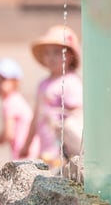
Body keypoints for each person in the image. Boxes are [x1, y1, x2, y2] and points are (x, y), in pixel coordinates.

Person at [19, 25, 84, 168]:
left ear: (70, 56)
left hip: (65, 149)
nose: (51, 57)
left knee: (62, 175)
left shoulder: (71, 81)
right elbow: (36, 117)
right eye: (47, 53)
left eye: (57, 52)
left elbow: (78, 113)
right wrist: (27, 144)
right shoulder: (43, 84)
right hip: (45, 146)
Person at [0, 58, 39, 160]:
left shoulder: (9, 104)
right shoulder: (17, 99)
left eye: (2, 80)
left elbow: (9, 133)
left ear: (15, 82)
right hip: (33, 147)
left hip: (22, 150)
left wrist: (0, 138)